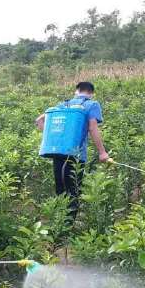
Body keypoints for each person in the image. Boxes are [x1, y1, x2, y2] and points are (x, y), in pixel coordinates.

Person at [35, 81, 109, 223]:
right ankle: (67, 226)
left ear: (76, 91)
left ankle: (58, 223)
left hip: (58, 152)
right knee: (73, 190)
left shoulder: (63, 105)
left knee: (60, 189)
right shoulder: (91, 105)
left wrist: (51, 135)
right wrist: (102, 152)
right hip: (77, 155)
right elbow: (93, 128)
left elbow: (39, 120)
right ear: (91, 93)